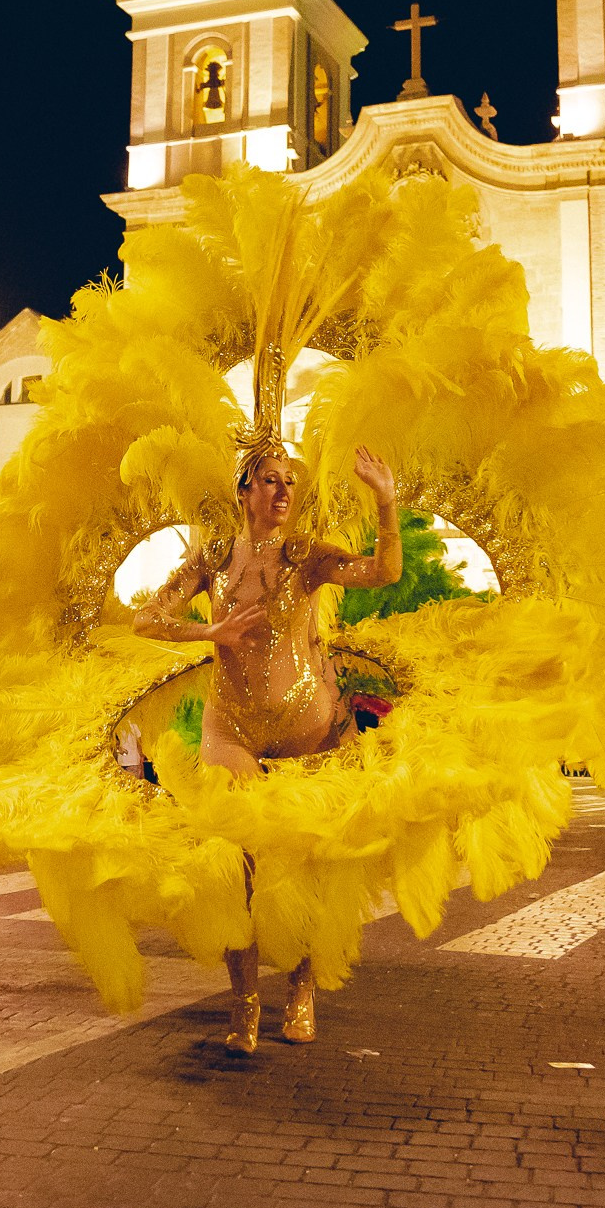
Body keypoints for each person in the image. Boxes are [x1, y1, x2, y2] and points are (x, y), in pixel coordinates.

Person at [130, 441, 401, 1052]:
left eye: (289, 482)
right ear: (245, 490)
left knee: (301, 862)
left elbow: (383, 572)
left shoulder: (306, 556)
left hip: (308, 728)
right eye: (271, 480)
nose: (283, 492)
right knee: (239, 867)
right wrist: (211, 630)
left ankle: (302, 992)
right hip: (232, 728)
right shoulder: (212, 558)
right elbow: (146, 619)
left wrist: (386, 503)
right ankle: (246, 999)